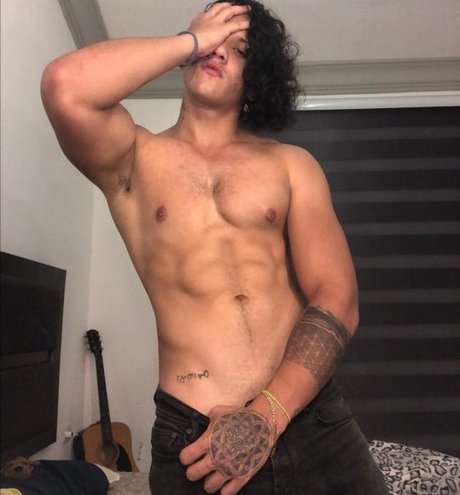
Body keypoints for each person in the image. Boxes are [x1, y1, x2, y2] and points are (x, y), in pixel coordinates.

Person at [41, 1, 389, 493]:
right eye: (211, 39)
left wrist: (267, 415)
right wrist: (191, 40)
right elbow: (65, 86)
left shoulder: (292, 165)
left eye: (240, 49)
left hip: (310, 421)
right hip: (195, 437)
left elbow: (338, 298)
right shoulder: (133, 158)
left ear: (257, 80)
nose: (219, 52)